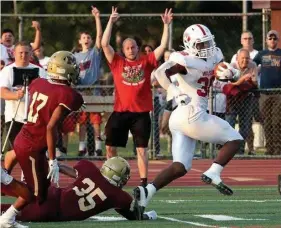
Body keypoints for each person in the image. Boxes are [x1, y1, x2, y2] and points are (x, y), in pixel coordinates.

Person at [133, 24, 244, 209]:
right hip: (192, 114)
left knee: (180, 167)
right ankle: (214, 172)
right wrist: (175, 90)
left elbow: (219, 69)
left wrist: (232, 73)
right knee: (235, 139)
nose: (206, 47)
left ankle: (147, 192)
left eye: (208, 42)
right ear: (189, 44)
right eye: (201, 45)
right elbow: (159, 73)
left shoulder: (215, 54)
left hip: (180, 118)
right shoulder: (185, 59)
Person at [0, 51, 84, 228]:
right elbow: (50, 127)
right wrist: (53, 159)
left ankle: (7, 210)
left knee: (41, 190)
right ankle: (6, 210)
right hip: (33, 147)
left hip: (25, 136)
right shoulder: (69, 95)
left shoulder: (38, 82)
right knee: (35, 195)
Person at [101, 7, 173, 186]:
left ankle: (143, 183)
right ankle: (111, 177)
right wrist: (110, 20)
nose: (130, 50)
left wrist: (166, 25)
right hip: (120, 112)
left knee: (142, 150)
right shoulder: (117, 62)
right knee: (110, 146)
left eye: (133, 47)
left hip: (140, 114)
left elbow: (162, 47)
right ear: (123, 50)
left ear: (138, 48)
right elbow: (104, 44)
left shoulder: (146, 61)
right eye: (127, 47)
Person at [1, 157, 157, 223]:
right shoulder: (119, 196)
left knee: (15, 189)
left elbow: (73, 172)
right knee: (5, 213)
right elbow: (134, 216)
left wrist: (58, 166)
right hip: (50, 211)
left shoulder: (89, 169)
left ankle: (4, 179)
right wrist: (149, 216)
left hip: (52, 193)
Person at [0, 41, 46, 174]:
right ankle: (6, 173)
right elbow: (2, 91)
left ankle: (27, 177)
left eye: (26, 53)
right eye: (20, 53)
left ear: (31, 54)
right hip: (15, 117)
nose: (23, 55)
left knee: (33, 150)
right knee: (16, 150)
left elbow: (46, 90)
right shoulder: (7, 70)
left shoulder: (39, 71)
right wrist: (15, 95)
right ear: (14, 54)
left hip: (34, 118)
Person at [73, 6, 103, 157]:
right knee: (82, 121)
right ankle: (82, 147)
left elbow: (100, 37)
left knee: (96, 120)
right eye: (84, 37)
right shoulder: (75, 57)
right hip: (81, 91)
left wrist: (97, 18)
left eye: (88, 37)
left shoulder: (95, 53)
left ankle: (98, 147)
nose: (86, 39)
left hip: (94, 90)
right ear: (80, 41)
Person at [253, 30, 281, 155]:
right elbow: (252, 64)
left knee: (277, 121)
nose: (272, 40)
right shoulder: (261, 54)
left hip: (278, 92)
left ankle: (278, 148)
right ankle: (269, 148)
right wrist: (253, 76)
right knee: (266, 121)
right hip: (264, 93)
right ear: (266, 40)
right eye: (270, 38)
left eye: (275, 38)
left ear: (278, 40)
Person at [225, 49, 258, 155]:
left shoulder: (253, 65)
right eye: (242, 58)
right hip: (233, 100)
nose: (245, 60)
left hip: (247, 99)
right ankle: (228, 150)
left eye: (247, 58)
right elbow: (230, 86)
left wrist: (240, 83)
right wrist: (244, 79)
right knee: (229, 125)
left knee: (245, 127)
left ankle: (240, 150)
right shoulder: (232, 66)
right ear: (237, 58)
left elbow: (255, 84)